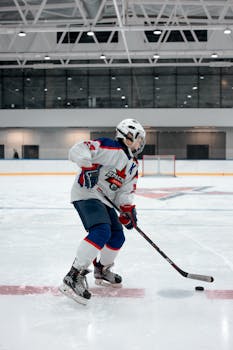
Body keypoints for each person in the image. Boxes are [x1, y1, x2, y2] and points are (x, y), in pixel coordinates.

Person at [59, 118, 146, 305]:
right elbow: (78, 149)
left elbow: (125, 191)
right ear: (128, 136)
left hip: (105, 200)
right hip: (87, 193)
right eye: (139, 138)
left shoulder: (133, 165)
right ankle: (73, 276)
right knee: (101, 231)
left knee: (117, 237)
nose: (141, 143)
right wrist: (87, 166)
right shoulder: (108, 147)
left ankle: (102, 269)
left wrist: (127, 210)